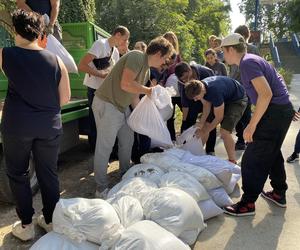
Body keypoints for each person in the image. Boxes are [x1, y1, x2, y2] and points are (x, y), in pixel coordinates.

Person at [0, 10, 70, 240]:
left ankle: (26, 225)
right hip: (49, 126)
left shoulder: (5, 54)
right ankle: (50, 219)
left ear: (14, 30)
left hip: (17, 126)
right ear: (39, 32)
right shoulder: (56, 60)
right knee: (48, 173)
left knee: (18, 173)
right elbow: (64, 98)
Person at [221, 33, 295, 216]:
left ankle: (247, 204)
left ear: (230, 49)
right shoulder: (252, 59)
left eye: (223, 51)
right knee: (271, 152)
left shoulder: (247, 63)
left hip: (275, 111)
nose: (223, 55)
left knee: (252, 158)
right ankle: (279, 192)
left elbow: (266, 94)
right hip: (280, 110)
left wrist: (252, 125)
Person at [92, 36, 173, 198]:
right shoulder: (137, 56)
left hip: (121, 106)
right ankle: (100, 189)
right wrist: (150, 91)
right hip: (107, 103)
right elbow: (126, 84)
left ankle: (125, 175)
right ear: (158, 53)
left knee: (127, 141)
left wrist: (148, 118)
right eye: (164, 58)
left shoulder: (147, 70)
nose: (164, 62)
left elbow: (134, 96)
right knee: (105, 147)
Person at [78, 26, 130, 151]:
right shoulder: (100, 44)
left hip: (106, 91)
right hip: (94, 89)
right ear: (117, 34)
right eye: (124, 39)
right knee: (96, 121)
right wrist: (101, 75)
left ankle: (105, 150)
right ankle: (96, 150)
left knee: (105, 121)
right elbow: (82, 65)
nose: (125, 42)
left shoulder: (115, 52)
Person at [184, 77, 247, 163]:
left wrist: (205, 131)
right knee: (204, 126)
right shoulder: (200, 87)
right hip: (224, 97)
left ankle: (232, 160)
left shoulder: (214, 92)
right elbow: (206, 106)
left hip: (237, 100)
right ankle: (197, 154)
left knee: (224, 131)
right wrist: (201, 123)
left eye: (196, 97)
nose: (195, 100)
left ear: (202, 90)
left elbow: (219, 117)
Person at [175, 61, 217, 155]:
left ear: (189, 70)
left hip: (208, 95)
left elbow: (210, 98)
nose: (186, 81)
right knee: (189, 120)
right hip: (193, 97)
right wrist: (184, 122)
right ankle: (189, 148)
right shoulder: (182, 83)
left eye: (186, 77)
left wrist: (203, 121)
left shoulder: (206, 73)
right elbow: (185, 104)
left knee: (210, 121)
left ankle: (210, 150)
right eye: (183, 80)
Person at [230, 25, 260, 151]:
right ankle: (244, 139)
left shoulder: (251, 49)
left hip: (243, 86)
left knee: (243, 114)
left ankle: (245, 139)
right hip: (242, 86)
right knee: (243, 114)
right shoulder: (252, 49)